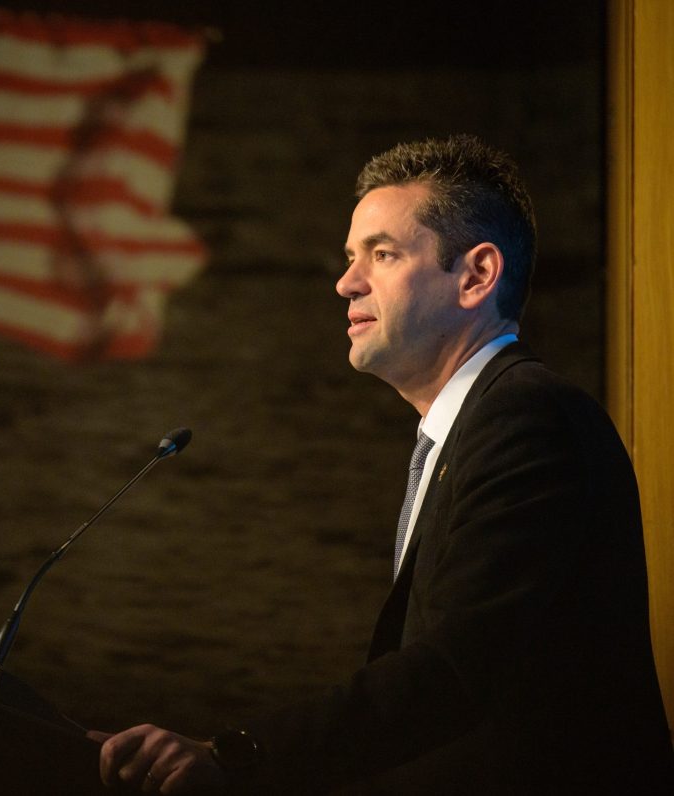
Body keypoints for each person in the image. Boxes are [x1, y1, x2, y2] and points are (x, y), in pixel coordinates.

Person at [93, 135, 674, 794]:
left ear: (475, 276)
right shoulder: (469, 430)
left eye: (381, 253)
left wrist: (239, 757)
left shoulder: (526, 420)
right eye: (350, 256)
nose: (345, 281)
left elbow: (456, 670)